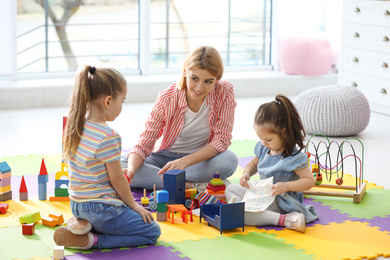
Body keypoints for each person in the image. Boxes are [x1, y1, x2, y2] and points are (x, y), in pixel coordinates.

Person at [54, 65, 161, 250]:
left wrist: (118, 173)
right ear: (108, 101)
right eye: (123, 101)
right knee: (152, 231)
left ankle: (84, 226)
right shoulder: (108, 137)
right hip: (100, 209)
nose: (122, 107)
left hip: (77, 204)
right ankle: (93, 241)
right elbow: (117, 179)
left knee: (124, 218)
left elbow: (87, 168)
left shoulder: (75, 127)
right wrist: (134, 206)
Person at [122, 46, 238, 191]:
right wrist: (132, 170)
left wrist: (185, 162)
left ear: (217, 79)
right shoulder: (167, 97)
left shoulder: (225, 91)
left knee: (229, 161)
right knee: (122, 165)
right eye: (194, 78)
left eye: (208, 81)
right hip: (163, 158)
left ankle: (167, 180)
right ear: (184, 71)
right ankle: (193, 186)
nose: (199, 87)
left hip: (199, 160)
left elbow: (221, 139)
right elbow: (145, 141)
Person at [225, 94, 318, 233]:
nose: (263, 143)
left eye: (268, 139)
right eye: (260, 138)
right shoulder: (263, 148)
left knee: (242, 214)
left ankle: (285, 220)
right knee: (230, 189)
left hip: (281, 201)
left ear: (284, 133)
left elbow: (310, 181)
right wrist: (246, 173)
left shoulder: (293, 157)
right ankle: (240, 207)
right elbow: (254, 164)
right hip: (262, 194)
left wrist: (286, 186)